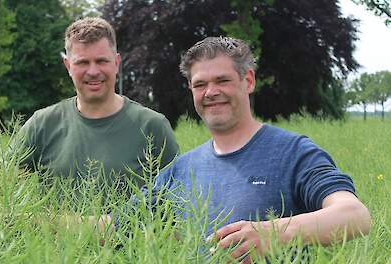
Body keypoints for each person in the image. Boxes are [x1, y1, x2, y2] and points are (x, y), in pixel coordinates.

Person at [130, 36, 370, 261]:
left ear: (248, 81)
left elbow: (354, 215)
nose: (211, 92)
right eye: (200, 84)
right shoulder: (182, 169)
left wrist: (273, 233)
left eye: (222, 80)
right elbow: (118, 225)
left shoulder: (293, 153)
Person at [17, 17, 179, 198]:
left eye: (101, 61)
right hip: (53, 228)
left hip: (131, 227)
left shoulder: (152, 126)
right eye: (82, 63)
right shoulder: (43, 124)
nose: (93, 72)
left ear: (116, 63)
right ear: (68, 66)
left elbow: (178, 199)